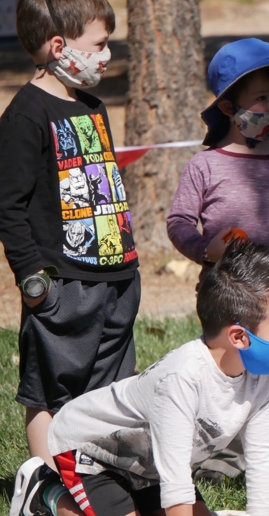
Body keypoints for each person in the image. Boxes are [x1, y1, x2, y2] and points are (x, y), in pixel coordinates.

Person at [8, 241, 269, 516]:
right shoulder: (182, 378)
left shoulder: (261, 376)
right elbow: (176, 480)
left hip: (150, 465)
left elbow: (260, 462)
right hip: (92, 454)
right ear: (239, 337)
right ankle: (43, 490)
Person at [167, 38, 269, 481]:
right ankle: (225, 458)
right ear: (227, 106)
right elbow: (179, 220)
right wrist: (206, 248)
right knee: (226, 380)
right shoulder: (205, 167)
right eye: (262, 98)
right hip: (228, 300)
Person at [0, 0, 140, 469]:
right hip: (62, 284)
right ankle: (46, 483)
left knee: (108, 388)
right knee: (50, 388)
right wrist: (33, 282)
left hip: (117, 277)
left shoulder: (93, 106)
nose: (105, 55)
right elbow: (9, 205)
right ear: (59, 46)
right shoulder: (25, 114)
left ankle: (93, 475)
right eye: (99, 45)